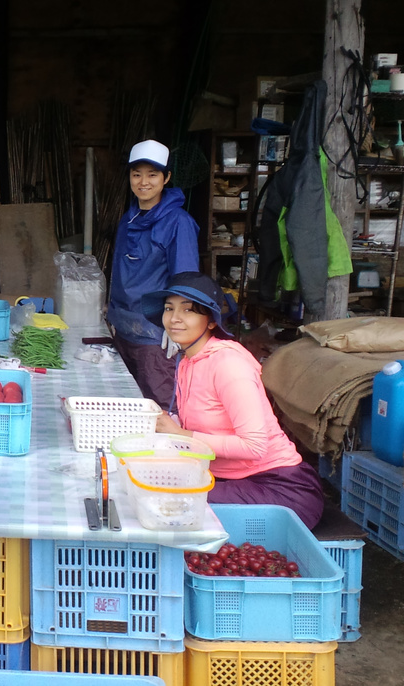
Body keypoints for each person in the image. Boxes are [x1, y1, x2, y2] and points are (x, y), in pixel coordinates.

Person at [141, 271, 325, 529]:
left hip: (280, 490)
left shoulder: (228, 364)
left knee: (165, 503)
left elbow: (254, 446)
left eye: (188, 310)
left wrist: (181, 435)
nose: (174, 319)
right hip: (230, 480)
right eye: (169, 308)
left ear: (211, 322)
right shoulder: (188, 360)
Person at [107, 139, 199, 408]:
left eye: (152, 174)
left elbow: (186, 280)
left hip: (155, 336)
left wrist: (177, 327)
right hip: (123, 329)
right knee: (126, 404)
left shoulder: (178, 223)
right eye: (136, 174)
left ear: (166, 177)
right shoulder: (128, 219)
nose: (143, 182)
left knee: (156, 407)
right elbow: (120, 272)